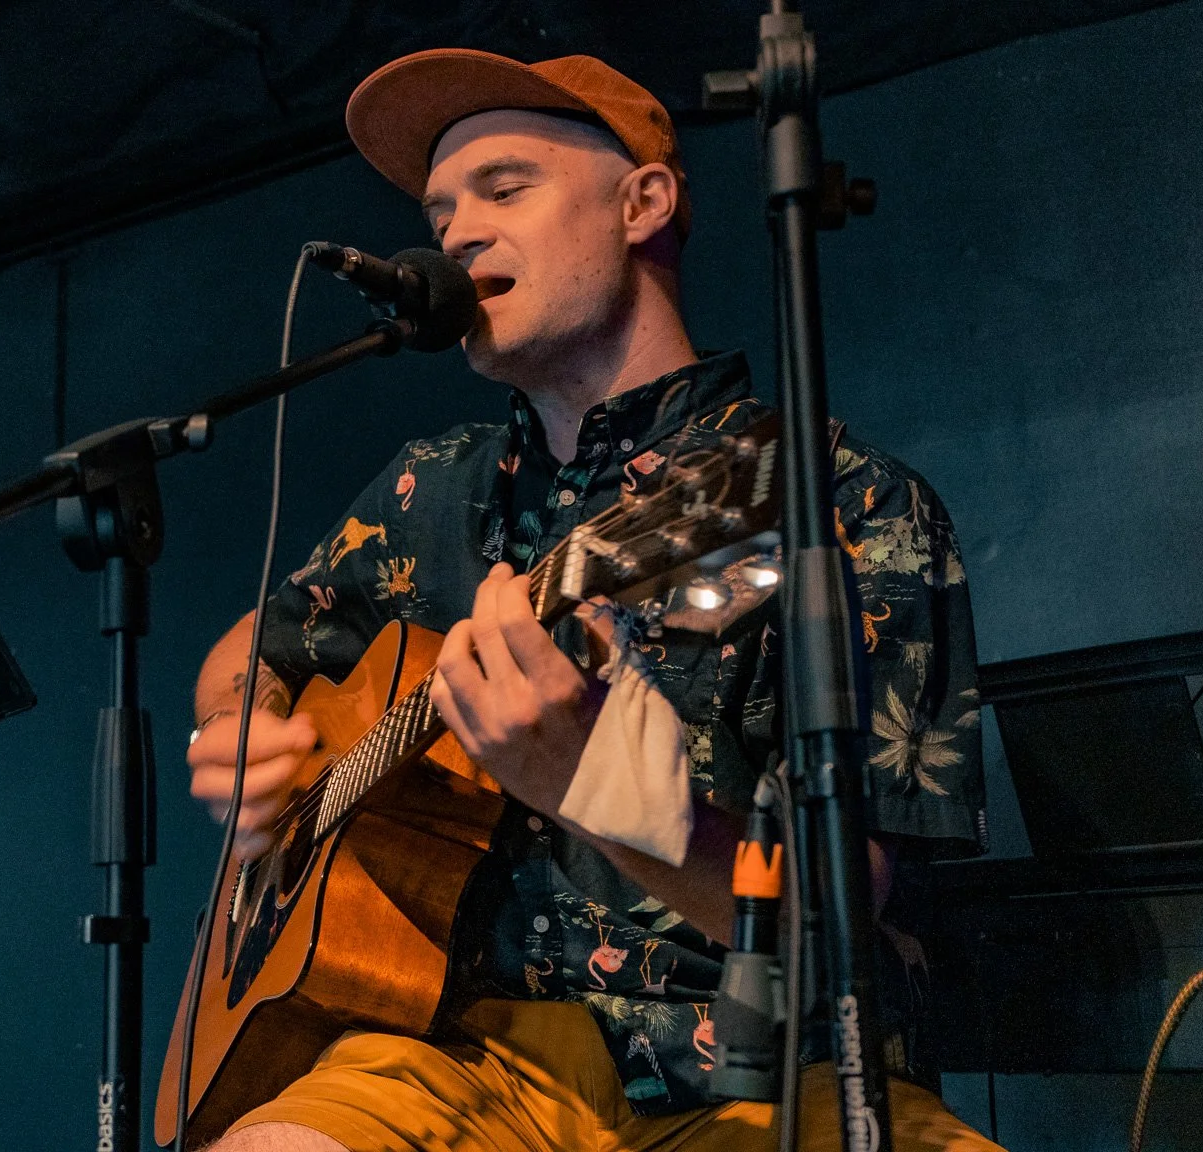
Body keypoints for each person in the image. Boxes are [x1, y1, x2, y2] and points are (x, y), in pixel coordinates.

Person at [183, 50, 1000, 1152]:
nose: (457, 235)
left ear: (642, 204)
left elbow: (849, 921)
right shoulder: (429, 485)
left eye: (503, 189)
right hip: (452, 1059)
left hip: (756, 1074)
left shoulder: (838, 501)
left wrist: (598, 788)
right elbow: (258, 643)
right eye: (439, 212)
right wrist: (237, 726)